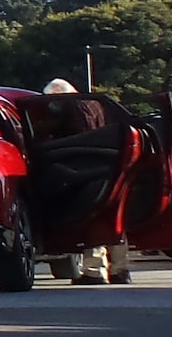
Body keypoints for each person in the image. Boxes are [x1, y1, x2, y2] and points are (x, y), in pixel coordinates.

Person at [40, 79, 133, 285]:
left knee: (92, 217)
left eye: (52, 100)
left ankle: (94, 270)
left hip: (86, 169)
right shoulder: (95, 104)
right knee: (113, 218)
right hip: (110, 166)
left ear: (60, 95)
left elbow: (80, 139)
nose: (51, 106)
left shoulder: (74, 108)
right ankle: (120, 269)